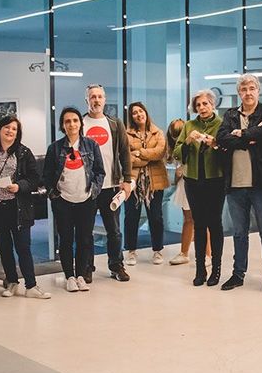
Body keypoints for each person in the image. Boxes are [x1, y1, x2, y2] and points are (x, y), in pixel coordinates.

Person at [216, 74, 262, 293]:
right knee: (239, 233)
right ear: (239, 93)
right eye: (244, 89)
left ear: (258, 91)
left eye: (252, 88)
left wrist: (241, 134)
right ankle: (238, 274)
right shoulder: (230, 114)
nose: (248, 93)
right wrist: (250, 138)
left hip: (260, 182)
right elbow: (222, 138)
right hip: (235, 183)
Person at [0, 115, 50, 299]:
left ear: (18, 134)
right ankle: (12, 282)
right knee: (4, 248)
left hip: (19, 207)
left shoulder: (24, 152)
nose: (10, 131)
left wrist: (19, 186)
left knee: (23, 247)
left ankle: (31, 285)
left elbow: (35, 178)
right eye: (7, 127)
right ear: (0, 130)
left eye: (14, 129)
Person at [44, 107, 105, 293]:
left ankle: (80, 275)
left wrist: (93, 191)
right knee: (66, 239)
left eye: (75, 120)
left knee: (85, 239)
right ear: (63, 125)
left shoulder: (91, 145)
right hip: (63, 201)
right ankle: (69, 276)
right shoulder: (54, 148)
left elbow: (100, 172)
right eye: (67, 121)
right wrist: (54, 195)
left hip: (86, 200)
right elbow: (47, 176)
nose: (72, 124)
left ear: (80, 123)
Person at [174, 89, 225, 286]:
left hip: (215, 180)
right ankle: (200, 269)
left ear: (213, 104)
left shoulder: (221, 124)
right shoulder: (189, 125)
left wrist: (215, 144)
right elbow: (177, 153)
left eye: (205, 103)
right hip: (193, 181)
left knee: (215, 223)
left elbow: (228, 151)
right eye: (198, 105)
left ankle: (216, 269)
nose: (202, 107)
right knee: (199, 224)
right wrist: (187, 141)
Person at [83, 84, 132, 282]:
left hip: (111, 186)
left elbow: (125, 153)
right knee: (86, 231)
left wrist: (127, 180)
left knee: (114, 231)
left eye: (99, 96)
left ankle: (116, 265)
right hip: (87, 187)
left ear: (104, 100)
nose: (96, 100)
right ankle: (87, 267)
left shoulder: (115, 124)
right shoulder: (80, 124)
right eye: (92, 97)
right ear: (87, 100)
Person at [124, 102, 169, 266]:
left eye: (140, 111)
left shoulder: (158, 132)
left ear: (146, 112)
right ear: (131, 117)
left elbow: (159, 153)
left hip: (154, 181)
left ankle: (157, 251)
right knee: (131, 217)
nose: (138, 114)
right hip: (133, 181)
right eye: (134, 113)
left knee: (155, 217)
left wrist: (139, 153)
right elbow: (125, 157)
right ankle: (131, 251)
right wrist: (145, 158)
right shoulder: (126, 134)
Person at [166, 119, 193, 266]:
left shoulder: (190, 142)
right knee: (188, 219)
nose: (176, 138)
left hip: (194, 182)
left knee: (202, 220)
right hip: (183, 184)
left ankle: (208, 254)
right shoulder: (174, 148)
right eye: (174, 134)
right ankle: (184, 252)